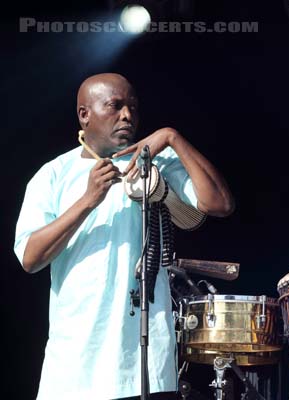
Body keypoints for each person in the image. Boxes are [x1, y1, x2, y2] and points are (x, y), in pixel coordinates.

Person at [14, 73, 235, 400]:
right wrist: (88, 199)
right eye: (115, 106)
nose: (128, 116)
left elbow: (220, 204)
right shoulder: (53, 175)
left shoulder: (155, 164)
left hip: (147, 366)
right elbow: (30, 258)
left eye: (132, 107)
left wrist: (172, 138)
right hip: (75, 368)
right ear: (84, 115)